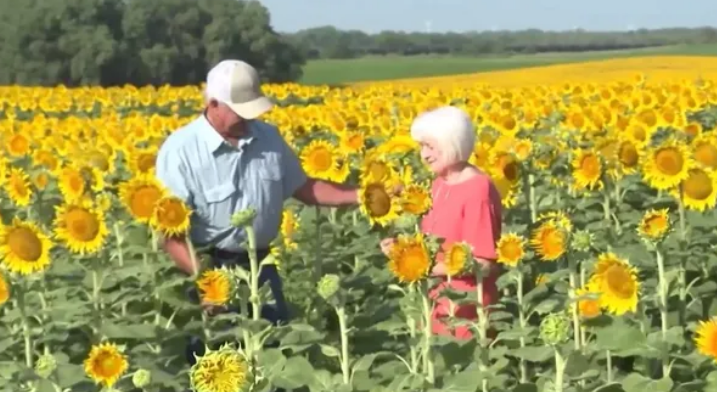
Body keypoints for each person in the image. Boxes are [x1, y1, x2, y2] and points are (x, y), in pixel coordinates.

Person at [154, 59, 359, 363]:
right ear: (213, 105)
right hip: (208, 265)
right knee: (215, 361)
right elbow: (171, 234)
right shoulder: (181, 150)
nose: (250, 118)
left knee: (274, 353)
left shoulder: (268, 138)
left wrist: (361, 195)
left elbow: (303, 187)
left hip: (261, 266)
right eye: (241, 111)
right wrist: (207, 282)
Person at [380, 105, 503, 340]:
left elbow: (484, 263)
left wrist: (423, 269)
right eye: (421, 146)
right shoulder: (440, 183)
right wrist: (403, 251)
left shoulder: (478, 189)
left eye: (430, 146)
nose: (424, 154)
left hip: (466, 311)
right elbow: (435, 242)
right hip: (436, 304)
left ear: (451, 143)